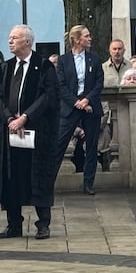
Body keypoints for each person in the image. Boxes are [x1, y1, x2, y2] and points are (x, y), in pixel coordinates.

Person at [0, 24, 59, 240]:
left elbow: (48, 97)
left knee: (37, 177)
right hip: (10, 132)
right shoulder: (6, 67)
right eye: (9, 38)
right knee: (12, 177)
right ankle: (13, 224)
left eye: (15, 38)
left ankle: (43, 224)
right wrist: (10, 118)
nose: (10, 41)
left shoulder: (44, 66)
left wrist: (25, 117)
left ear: (27, 42)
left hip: (36, 132)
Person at [54, 25, 104, 196]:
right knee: (59, 144)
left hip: (90, 107)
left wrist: (87, 100)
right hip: (70, 107)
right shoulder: (63, 60)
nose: (90, 39)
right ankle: (47, 183)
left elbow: (99, 83)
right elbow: (60, 86)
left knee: (91, 147)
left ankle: (88, 183)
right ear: (77, 39)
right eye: (87, 36)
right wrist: (77, 102)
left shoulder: (95, 59)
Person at [100, 39, 131, 172]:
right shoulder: (102, 68)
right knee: (106, 142)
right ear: (110, 51)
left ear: (124, 50)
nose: (117, 52)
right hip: (107, 112)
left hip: (126, 110)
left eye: (119, 49)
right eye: (114, 49)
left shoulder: (131, 67)